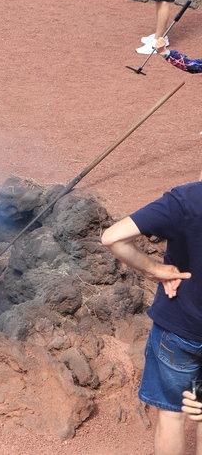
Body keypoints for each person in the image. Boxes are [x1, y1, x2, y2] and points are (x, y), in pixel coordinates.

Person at [101, 184, 202, 455]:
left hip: (180, 329)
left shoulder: (187, 200)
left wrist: (155, 269)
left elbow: (113, 238)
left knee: (172, 413)